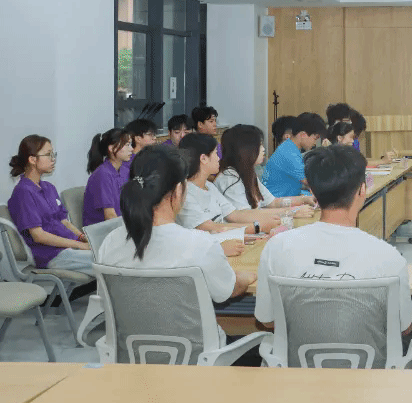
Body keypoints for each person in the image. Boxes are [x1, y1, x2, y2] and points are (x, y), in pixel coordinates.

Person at [255, 145, 412, 345]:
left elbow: (267, 320)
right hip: (369, 364)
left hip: (297, 363)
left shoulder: (277, 248)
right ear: (362, 190)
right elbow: (403, 326)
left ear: (312, 191)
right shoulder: (389, 256)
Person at [97, 144, 252, 301]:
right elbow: (226, 291)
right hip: (191, 318)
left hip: (128, 318)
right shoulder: (200, 244)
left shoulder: (110, 242)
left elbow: (104, 298)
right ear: (178, 190)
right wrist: (248, 277)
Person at [8, 135, 92, 272]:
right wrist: (79, 245)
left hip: (70, 247)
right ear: (32, 159)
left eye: (53, 154)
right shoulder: (23, 192)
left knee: (109, 256)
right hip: (53, 255)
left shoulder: (49, 188)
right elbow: (38, 236)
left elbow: (64, 221)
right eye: (48, 155)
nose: (53, 159)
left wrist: (82, 238)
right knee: (105, 260)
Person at [176, 133, 281, 236]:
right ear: (203, 159)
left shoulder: (209, 186)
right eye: (215, 153)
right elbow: (211, 227)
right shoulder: (185, 192)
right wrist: (257, 227)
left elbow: (234, 214)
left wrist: (275, 217)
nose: (219, 158)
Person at [216, 124, 316, 213]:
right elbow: (247, 215)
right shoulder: (230, 179)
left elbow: (273, 202)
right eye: (259, 145)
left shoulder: (248, 173)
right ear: (245, 150)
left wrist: (304, 200)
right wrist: (292, 212)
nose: (263, 149)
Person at [262, 112, 326, 198]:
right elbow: (312, 182)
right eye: (315, 138)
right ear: (303, 135)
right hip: (276, 201)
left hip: (284, 196)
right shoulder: (289, 153)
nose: (314, 143)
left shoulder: (289, 147)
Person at [83, 128, 134, 226]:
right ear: (112, 148)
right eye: (127, 145)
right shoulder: (102, 175)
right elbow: (110, 217)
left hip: (122, 225)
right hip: (104, 230)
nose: (131, 149)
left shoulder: (125, 171)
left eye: (131, 144)